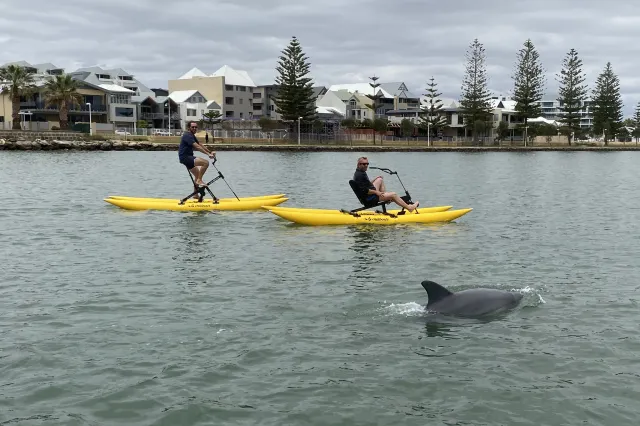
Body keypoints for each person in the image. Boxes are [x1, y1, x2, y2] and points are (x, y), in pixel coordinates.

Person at [352, 156, 419, 212]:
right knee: (394, 194)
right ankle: (409, 208)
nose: (366, 165)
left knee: (379, 179)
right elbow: (365, 190)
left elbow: (367, 184)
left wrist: (376, 178)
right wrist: (376, 192)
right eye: (364, 164)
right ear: (358, 164)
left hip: (370, 195)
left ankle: (385, 197)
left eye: (367, 164)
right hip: (370, 199)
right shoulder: (360, 175)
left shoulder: (360, 172)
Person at [178, 121, 216, 188]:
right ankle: (199, 180)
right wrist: (208, 154)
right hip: (186, 157)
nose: (194, 128)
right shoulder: (187, 135)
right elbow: (197, 147)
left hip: (187, 158)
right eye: (193, 127)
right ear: (189, 128)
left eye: (196, 127)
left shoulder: (192, 135)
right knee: (206, 163)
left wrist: (210, 152)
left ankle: (195, 194)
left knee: (198, 174)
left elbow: (199, 144)